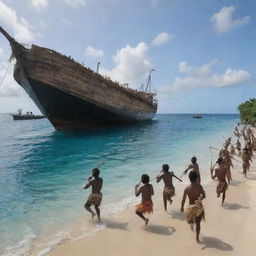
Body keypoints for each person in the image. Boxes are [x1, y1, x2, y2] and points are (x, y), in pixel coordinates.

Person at [180, 171, 206, 243]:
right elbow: (204, 195)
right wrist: (200, 199)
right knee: (198, 223)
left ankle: (191, 225)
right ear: (197, 178)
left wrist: (182, 207)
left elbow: (183, 199)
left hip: (191, 207)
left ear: (189, 178)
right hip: (198, 207)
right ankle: (197, 238)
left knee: (190, 220)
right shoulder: (199, 186)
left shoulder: (187, 189)